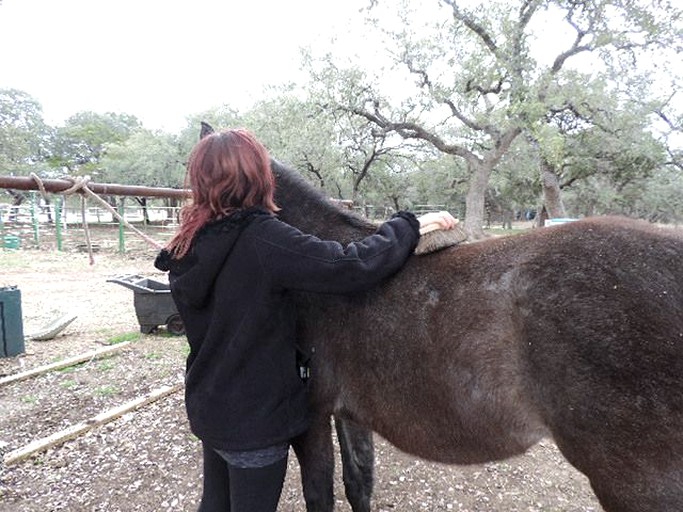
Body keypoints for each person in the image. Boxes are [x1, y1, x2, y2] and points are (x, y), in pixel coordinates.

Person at [154, 128, 457, 512]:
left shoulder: (187, 242)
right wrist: (408, 225)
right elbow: (349, 265)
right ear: (257, 178)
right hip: (255, 424)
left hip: (209, 411)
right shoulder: (262, 239)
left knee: (213, 504)